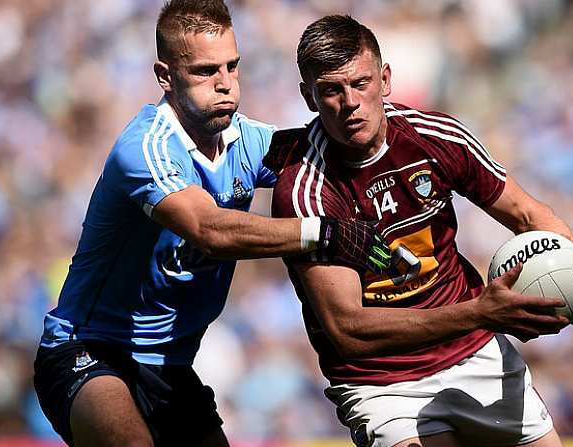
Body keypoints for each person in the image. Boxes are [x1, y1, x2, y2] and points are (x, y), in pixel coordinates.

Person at [32, 3, 391, 447]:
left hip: (172, 365)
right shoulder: (145, 148)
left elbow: (330, 161)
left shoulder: (249, 141)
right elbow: (210, 230)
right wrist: (326, 232)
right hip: (90, 350)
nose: (224, 84)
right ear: (165, 76)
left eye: (232, 66)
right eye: (204, 71)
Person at [267, 15, 573, 447]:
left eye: (361, 83)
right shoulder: (305, 191)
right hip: (384, 382)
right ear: (309, 98)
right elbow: (347, 328)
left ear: (385, 80)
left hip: (474, 352)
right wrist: (480, 312)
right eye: (331, 90)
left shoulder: (436, 137)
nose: (350, 102)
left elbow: (527, 214)